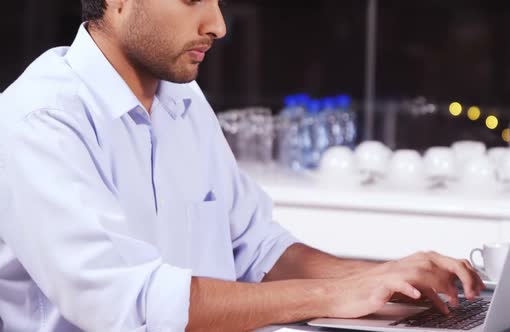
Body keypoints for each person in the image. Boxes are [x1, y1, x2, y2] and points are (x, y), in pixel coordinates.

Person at [0, 0, 485, 331]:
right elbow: (129, 306)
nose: (218, 25)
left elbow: (256, 248)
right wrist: (331, 296)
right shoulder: (40, 119)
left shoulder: (182, 99)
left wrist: (384, 279)